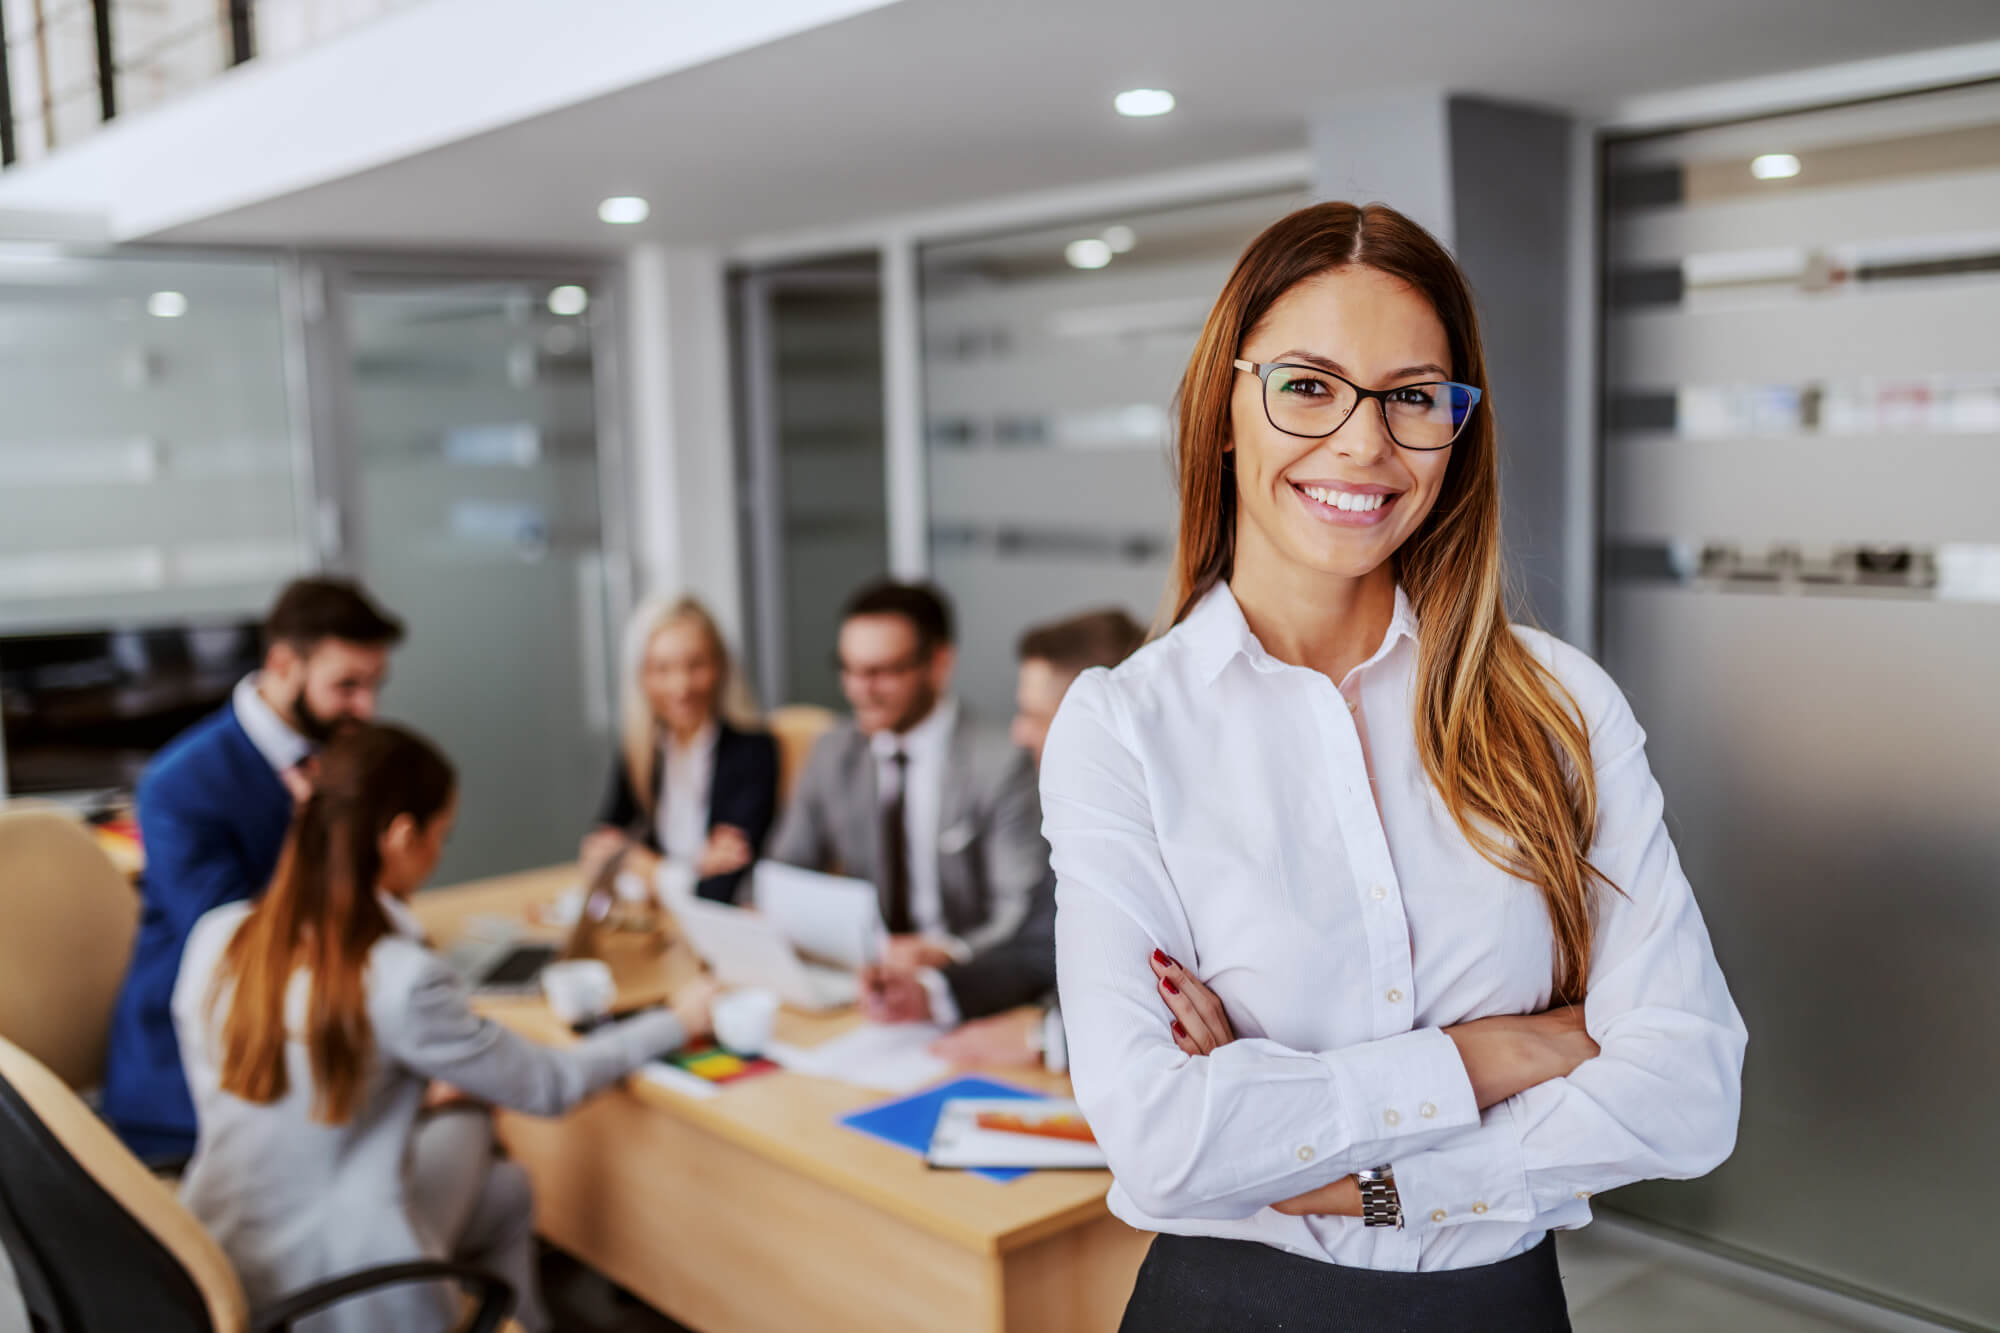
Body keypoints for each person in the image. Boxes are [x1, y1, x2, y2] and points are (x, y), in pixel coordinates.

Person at [1042, 202, 1747, 1331]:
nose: (1364, 444)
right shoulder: (1124, 726)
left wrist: (1348, 1173)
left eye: (1411, 395)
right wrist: (1508, 1047)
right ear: (1224, 411)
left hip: (1500, 1308)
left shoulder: (1556, 706)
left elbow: (1687, 1092)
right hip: (1230, 1305)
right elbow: (1164, 1144)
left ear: (1453, 429)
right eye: (1308, 386)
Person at [173, 723, 715, 1333]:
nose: (436, 855)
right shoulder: (399, 979)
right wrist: (676, 1020)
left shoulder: (217, 936)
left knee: (506, 1190)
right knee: (474, 1118)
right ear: (402, 836)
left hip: (217, 1259)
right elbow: (551, 1086)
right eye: (441, 837)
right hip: (339, 1282)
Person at [102, 577, 405, 1162]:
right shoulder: (181, 784)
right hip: (199, 1072)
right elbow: (233, 946)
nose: (366, 708)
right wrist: (314, 836)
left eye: (373, 686)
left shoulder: (343, 752)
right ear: (284, 663)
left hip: (316, 1028)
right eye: (347, 686)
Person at [860, 609, 1147, 1070]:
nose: (1018, 733)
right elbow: (1037, 949)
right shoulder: (1068, 813)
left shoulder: (1176, 836)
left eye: (1036, 716)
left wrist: (1046, 1037)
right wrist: (931, 995)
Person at [767, 580, 1048, 967]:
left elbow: (1021, 913)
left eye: (882, 671)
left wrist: (948, 955)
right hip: (858, 972)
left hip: (966, 979)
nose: (859, 690)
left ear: (938, 664)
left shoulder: (1000, 762)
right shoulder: (833, 751)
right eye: (848, 669)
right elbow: (786, 869)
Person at [581, 596, 778, 904]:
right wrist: (689, 870)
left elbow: (723, 886)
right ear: (643, 676)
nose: (681, 687)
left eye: (696, 665)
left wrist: (650, 869)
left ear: (720, 666)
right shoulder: (642, 749)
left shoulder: (753, 752)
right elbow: (601, 848)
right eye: (662, 669)